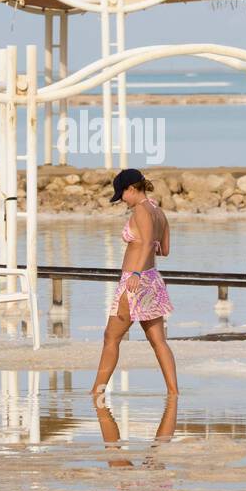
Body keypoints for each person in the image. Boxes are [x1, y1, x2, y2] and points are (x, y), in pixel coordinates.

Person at [91, 168, 178, 400]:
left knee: (111, 337)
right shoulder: (157, 211)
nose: (121, 199)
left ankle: (96, 392)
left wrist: (136, 272)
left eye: (122, 194)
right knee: (158, 341)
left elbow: (149, 242)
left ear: (132, 189)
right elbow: (164, 249)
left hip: (135, 281)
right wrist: (144, 254)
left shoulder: (140, 209)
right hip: (151, 279)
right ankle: (173, 392)